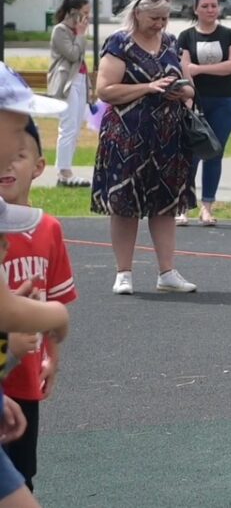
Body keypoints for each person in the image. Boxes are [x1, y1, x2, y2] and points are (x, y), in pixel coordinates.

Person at [92, 0, 198, 295]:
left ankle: (167, 271)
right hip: (127, 135)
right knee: (125, 205)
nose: (161, 24)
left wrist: (183, 91)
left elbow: (189, 84)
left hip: (168, 136)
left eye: (165, 18)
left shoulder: (171, 42)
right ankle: (123, 273)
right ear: (137, 13)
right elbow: (105, 90)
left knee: (165, 204)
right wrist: (147, 87)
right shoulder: (119, 43)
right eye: (155, 18)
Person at [1, 120, 77, 492]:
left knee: (20, 475)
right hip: (5, 364)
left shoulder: (48, 229)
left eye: (18, 156)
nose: (7, 166)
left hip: (24, 377)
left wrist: (52, 355)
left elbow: (57, 300)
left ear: (39, 166)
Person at [178, 0, 231, 227]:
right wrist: (189, 96)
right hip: (195, 100)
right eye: (204, 6)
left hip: (224, 100)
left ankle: (207, 207)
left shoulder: (229, 34)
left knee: (214, 151)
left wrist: (201, 69)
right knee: (192, 153)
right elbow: (184, 68)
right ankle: (183, 205)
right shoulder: (186, 36)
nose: (210, 9)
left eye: (214, 5)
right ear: (195, 9)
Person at [46, 0, 92, 188]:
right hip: (67, 83)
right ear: (73, 13)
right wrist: (80, 35)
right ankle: (64, 172)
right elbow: (73, 55)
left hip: (80, 80)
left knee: (75, 128)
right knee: (68, 127)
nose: (87, 18)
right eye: (84, 13)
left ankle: (67, 170)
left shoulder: (75, 32)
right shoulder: (60, 31)